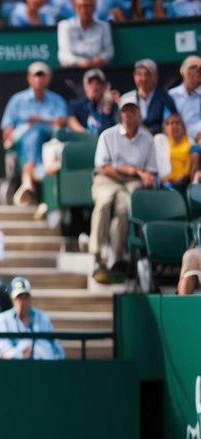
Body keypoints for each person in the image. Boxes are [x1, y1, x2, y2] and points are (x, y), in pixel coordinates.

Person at [89, 101, 155, 283]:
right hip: (107, 179)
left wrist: (146, 177)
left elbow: (150, 170)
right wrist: (129, 170)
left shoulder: (148, 139)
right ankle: (97, 255)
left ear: (139, 114)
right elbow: (103, 167)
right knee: (104, 202)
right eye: (125, 111)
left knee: (125, 208)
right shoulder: (107, 135)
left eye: (132, 111)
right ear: (120, 114)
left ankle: (117, 256)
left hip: (132, 182)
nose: (128, 115)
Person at [0, 276, 65, 360]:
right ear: (12, 299)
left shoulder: (43, 318)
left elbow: (57, 350)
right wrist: (20, 354)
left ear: (30, 298)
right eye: (18, 297)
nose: (22, 302)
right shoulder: (3, 319)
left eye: (25, 297)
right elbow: (2, 353)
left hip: (45, 368)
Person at [119, 59, 179, 136]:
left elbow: (170, 125)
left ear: (156, 77)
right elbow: (120, 125)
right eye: (139, 74)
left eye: (147, 74)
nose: (143, 79)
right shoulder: (126, 98)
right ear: (134, 76)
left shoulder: (165, 98)